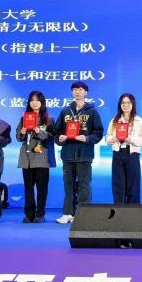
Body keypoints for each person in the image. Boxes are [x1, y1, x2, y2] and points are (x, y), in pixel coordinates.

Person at [54, 81, 104, 224]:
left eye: (80, 89)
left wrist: (86, 138)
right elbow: (56, 132)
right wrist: (60, 138)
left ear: (86, 92)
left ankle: (83, 215)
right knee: (68, 185)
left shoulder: (92, 111)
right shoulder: (65, 111)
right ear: (72, 92)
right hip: (68, 154)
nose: (77, 92)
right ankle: (67, 213)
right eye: (75, 89)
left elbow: (99, 133)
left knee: (84, 186)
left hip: (85, 154)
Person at [16, 90, 55, 223]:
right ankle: (29, 214)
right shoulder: (24, 118)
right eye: (32, 100)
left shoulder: (49, 119)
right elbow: (18, 137)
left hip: (41, 157)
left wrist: (39, 131)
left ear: (42, 102)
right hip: (26, 157)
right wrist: (22, 132)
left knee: (42, 188)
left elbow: (51, 137)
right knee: (28, 188)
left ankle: (40, 214)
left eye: (37, 100)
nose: (34, 103)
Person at [105, 92, 142, 204]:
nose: (125, 105)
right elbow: (107, 138)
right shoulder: (114, 121)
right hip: (118, 153)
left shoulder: (139, 121)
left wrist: (132, 140)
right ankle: (119, 211)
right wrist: (113, 138)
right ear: (120, 105)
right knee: (118, 186)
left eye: (128, 103)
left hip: (132, 154)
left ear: (133, 104)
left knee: (133, 186)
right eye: (123, 103)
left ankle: (133, 212)